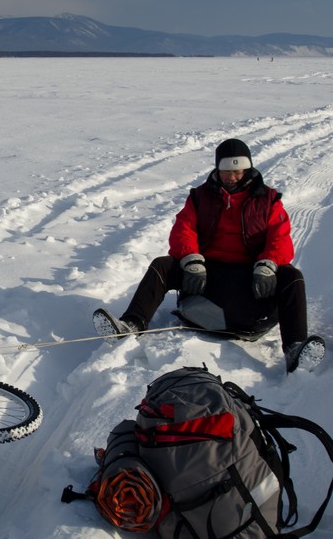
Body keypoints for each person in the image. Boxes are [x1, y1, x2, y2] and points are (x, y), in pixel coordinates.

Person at [100, 138, 321, 372]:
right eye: (227, 172)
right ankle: (132, 325)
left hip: (251, 275)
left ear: (248, 169)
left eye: (237, 171)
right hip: (207, 272)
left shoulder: (268, 200)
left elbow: (280, 238)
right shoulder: (200, 196)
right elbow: (183, 230)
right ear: (218, 170)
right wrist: (191, 259)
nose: (232, 177)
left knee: (292, 276)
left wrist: (268, 265)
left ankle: (295, 349)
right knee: (162, 265)